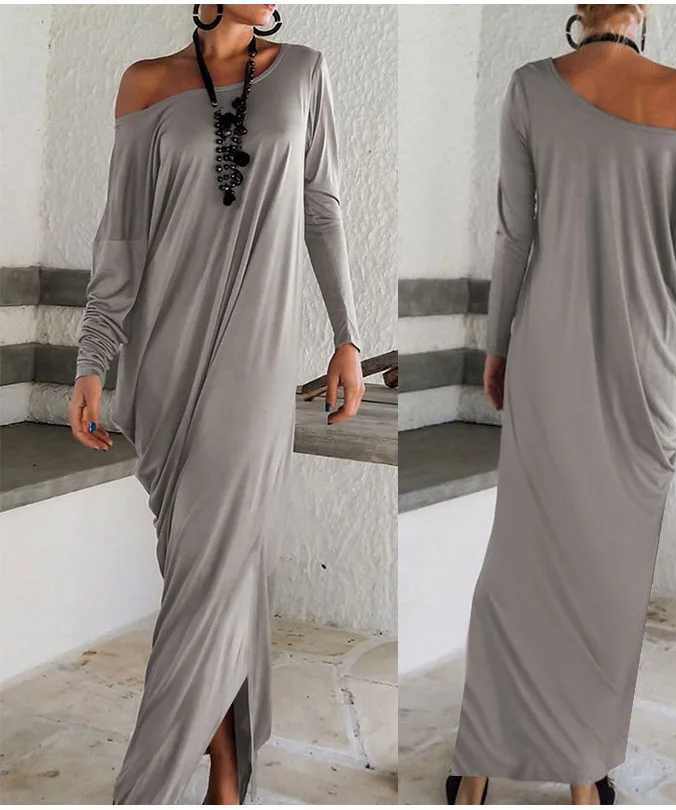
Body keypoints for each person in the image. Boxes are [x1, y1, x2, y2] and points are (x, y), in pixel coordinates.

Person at [68, 4, 365, 804]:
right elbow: (121, 239)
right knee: (204, 581)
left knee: (210, 584)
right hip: (163, 366)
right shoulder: (145, 84)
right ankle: (227, 780)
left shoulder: (304, 72)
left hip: (255, 367)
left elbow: (321, 207)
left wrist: (347, 336)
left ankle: (147, 789)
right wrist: (93, 359)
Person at [446, 4, 676, 805]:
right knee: (608, 574)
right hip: (648, 368)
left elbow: (513, 235)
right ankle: (580, 772)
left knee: (522, 559)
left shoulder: (531, 87)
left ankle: (477, 768)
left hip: (549, 354)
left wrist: (498, 346)